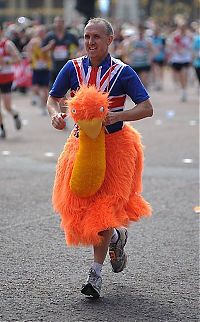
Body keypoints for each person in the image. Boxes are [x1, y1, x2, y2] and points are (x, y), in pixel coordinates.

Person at [47, 18, 153, 298]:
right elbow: (53, 98)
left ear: (110, 40)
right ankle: (117, 237)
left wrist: (117, 115)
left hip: (115, 147)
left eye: (96, 37)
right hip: (81, 146)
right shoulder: (72, 68)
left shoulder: (123, 72)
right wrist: (55, 115)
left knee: (103, 212)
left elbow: (146, 108)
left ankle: (95, 276)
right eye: (86, 36)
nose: (90, 42)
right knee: (80, 207)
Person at [0, 23, 22, 138]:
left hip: (6, 78)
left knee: (7, 106)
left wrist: (6, 62)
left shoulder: (7, 44)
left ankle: (15, 114)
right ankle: (2, 128)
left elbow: (18, 58)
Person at [26, 25, 54, 115]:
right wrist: (30, 59)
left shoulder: (48, 41)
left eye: (42, 31)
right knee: (35, 88)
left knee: (45, 89)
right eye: (39, 31)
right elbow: (29, 50)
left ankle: (44, 106)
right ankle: (40, 102)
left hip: (46, 67)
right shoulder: (34, 41)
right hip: (36, 67)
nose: (40, 33)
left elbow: (51, 52)